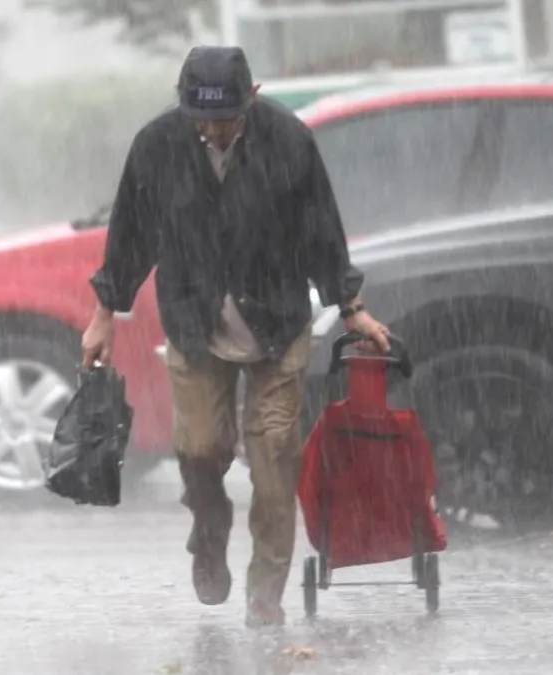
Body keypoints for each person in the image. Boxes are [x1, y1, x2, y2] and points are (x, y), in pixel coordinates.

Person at [82, 45, 391, 628]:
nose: (214, 129)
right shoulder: (157, 147)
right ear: (184, 105)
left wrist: (352, 307)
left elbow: (323, 231)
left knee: (274, 455)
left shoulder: (289, 143)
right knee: (199, 450)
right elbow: (129, 235)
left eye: (226, 118)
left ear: (252, 98)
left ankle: (265, 594)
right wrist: (105, 313)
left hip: (276, 322)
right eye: (201, 117)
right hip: (195, 325)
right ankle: (209, 533)